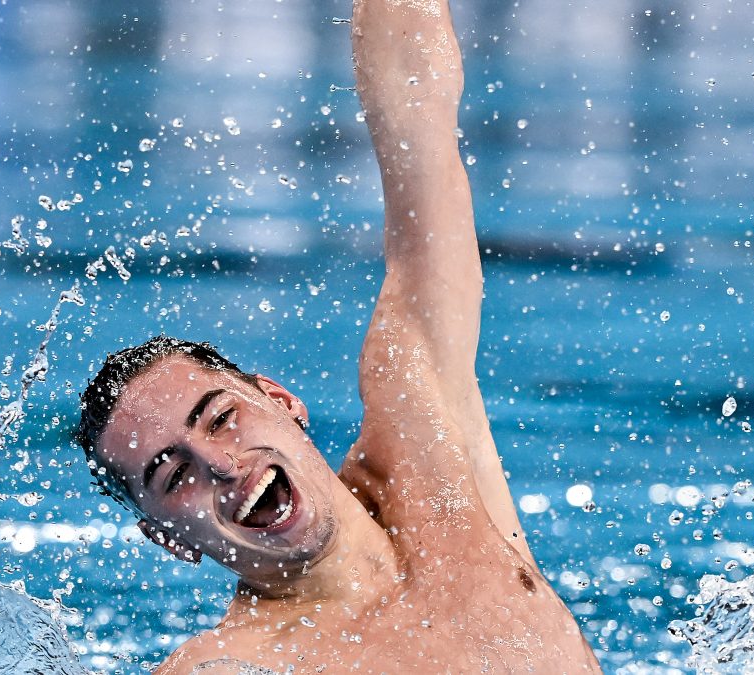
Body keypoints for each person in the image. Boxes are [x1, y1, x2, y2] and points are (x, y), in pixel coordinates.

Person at [76, 0, 601, 672]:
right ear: (170, 539)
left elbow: (419, 119)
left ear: (281, 399)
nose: (224, 465)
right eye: (174, 474)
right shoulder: (229, 667)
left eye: (221, 417)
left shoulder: (426, 448)